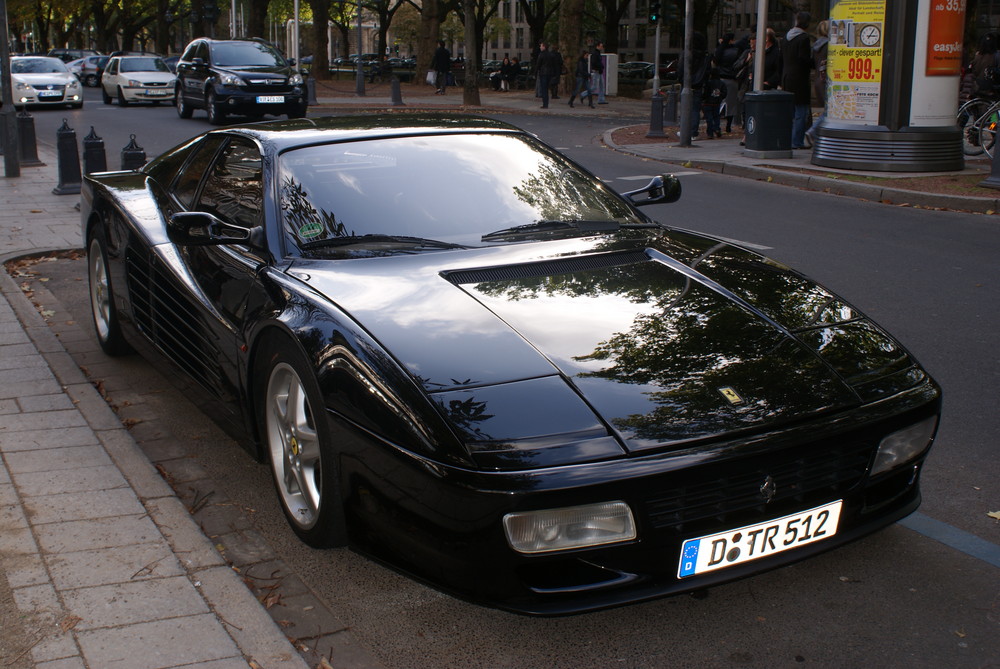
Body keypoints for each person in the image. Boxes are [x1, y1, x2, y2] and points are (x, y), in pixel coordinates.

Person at [783, 11, 814, 149]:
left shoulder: (786, 37)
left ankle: (788, 139)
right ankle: (797, 141)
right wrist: (814, 63)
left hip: (787, 77)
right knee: (801, 111)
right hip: (800, 78)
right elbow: (804, 59)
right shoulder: (804, 38)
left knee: (790, 110)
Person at [806, 20, 830, 146]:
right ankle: (813, 131)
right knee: (830, 111)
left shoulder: (816, 46)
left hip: (818, 80)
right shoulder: (829, 46)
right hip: (826, 81)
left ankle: (818, 135)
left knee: (827, 110)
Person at [715, 32, 741, 134]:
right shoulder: (735, 51)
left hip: (720, 79)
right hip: (732, 79)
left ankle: (716, 125)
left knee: (718, 102)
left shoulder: (719, 51)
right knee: (731, 105)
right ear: (731, 40)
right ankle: (728, 126)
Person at [702, 67, 727, 139]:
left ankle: (710, 133)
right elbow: (724, 93)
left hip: (708, 102)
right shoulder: (721, 83)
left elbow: (705, 93)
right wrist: (720, 97)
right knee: (716, 117)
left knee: (709, 118)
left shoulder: (708, 83)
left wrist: (703, 98)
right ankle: (717, 128)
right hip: (717, 102)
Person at [535, 42, 558, 108]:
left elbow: (538, 64)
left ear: (544, 47)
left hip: (543, 73)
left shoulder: (541, 54)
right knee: (548, 87)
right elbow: (555, 65)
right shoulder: (551, 55)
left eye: (541, 46)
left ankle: (545, 104)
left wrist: (535, 72)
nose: (540, 47)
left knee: (544, 89)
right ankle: (546, 103)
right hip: (550, 73)